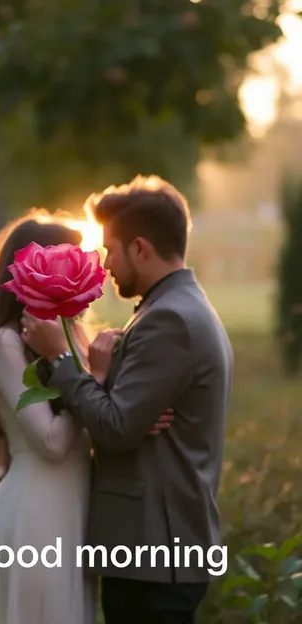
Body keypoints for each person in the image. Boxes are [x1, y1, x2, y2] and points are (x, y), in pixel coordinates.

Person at [22, 175, 234, 624]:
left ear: (140, 248)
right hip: (150, 553)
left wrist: (61, 359)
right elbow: (124, 416)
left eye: (110, 249)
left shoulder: (171, 320)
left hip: (154, 556)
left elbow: (116, 428)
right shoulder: (173, 309)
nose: (105, 264)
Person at [0, 214, 173, 624]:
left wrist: (131, 413)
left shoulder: (72, 331)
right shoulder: (4, 342)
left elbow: (90, 408)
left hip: (73, 510)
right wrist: (96, 376)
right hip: (36, 514)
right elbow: (51, 442)